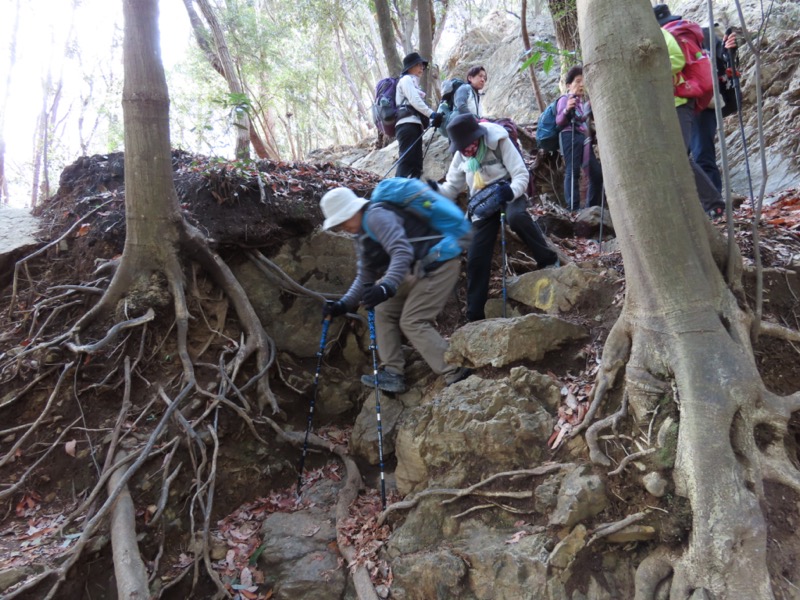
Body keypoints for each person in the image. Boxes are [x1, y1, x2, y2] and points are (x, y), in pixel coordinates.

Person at [319, 187, 470, 393]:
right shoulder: (362, 234)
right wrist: (343, 304)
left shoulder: (376, 217)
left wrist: (385, 287)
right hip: (417, 270)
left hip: (440, 265)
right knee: (383, 309)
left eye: (343, 220)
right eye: (338, 225)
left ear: (354, 209)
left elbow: (402, 252)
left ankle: (453, 368)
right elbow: (365, 274)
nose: (343, 227)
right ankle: (393, 373)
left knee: (412, 320)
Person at [437, 113, 559, 322]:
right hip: (482, 203)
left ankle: (548, 261)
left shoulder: (498, 141)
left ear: (477, 136)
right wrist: (428, 194)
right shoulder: (461, 155)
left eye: (468, 144)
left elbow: (521, 174)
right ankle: (475, 315)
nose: (465, 150)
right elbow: (451, 187)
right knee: (476, 256)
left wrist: (511, 192)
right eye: (461, 146)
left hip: (508, 189)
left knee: (517, 217)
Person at [654, 4, 726, 218]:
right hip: (686, 99)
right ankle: (707, 203)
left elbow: (676, 60)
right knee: (682, 155)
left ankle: (714, 203)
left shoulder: (665, 34)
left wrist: (654, 75)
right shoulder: (685, 31)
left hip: (679, 100)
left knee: (678, 156)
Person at [690, 27, 738, 192]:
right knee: (702, 155)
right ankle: (712, 205)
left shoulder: (694, 36)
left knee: (701, 155)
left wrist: (728, 54)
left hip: (697, 102)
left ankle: (713, 207)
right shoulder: (700, 35)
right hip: (704, 102)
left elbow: (724, 64)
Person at [556, 66, 603, 212]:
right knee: (573, 171)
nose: (581, 84)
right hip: (568, 135)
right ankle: (573, 209)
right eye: (577, 81)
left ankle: (592, 208)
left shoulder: (582, 103)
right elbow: (559, 121)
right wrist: (566, 110)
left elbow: (582, 120)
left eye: (583, 81)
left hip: (582, 138)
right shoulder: (564, 99)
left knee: (596, 174)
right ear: (569, 85)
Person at [395, 52, 443, 179]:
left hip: (414, 125)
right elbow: (414, 100)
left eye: (422, 65)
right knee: (406, 162)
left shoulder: (414, 83)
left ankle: (411, 194)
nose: (422, 67)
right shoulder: (406, 80)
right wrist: (432, 114)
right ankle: (394, 195)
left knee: (416, 165)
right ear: (410, 67)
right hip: (406, 126)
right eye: (418, 65)